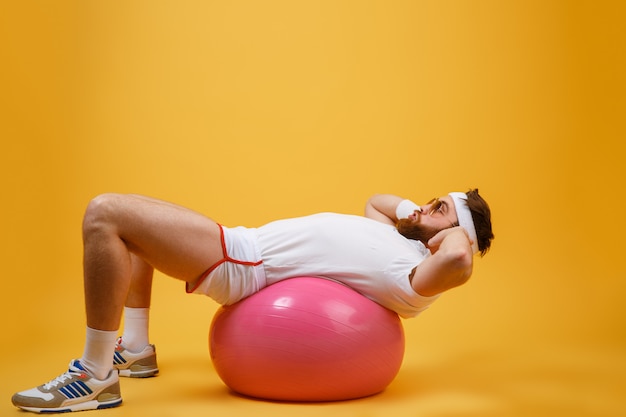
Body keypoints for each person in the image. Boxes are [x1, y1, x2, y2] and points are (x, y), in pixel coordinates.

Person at [12, 190, 494, 413]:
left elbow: (458, 264)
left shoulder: (413, 274)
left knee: (106, 215)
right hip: (239, 243)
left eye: (439, 210)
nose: (424, 206)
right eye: (431, 200)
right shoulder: (397, 238)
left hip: (241, 263)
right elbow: (379, 200)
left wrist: (455, 236)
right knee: (137, 233)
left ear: (454, 233)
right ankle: (135, 349)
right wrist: (418, 213)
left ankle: (95, 376)